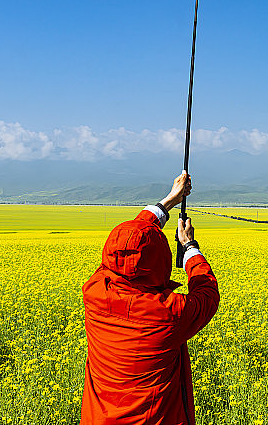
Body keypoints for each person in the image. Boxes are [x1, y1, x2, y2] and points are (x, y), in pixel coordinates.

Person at [80, 172, 219, 425]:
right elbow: (207, 295)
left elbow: (129, 241)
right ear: (159, 259)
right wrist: (189, 247)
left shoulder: (95, 291)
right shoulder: (169, 313)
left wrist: (169, 200)